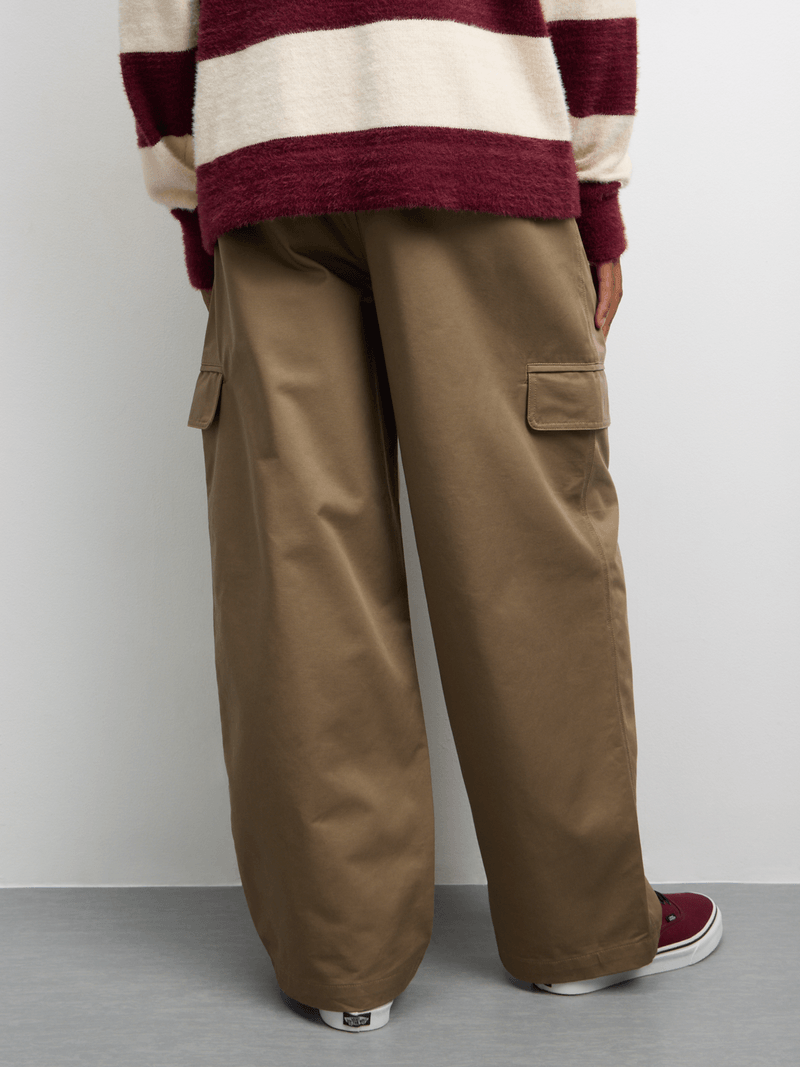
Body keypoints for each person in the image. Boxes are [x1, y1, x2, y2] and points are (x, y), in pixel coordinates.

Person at [118, 0, 722, 1033]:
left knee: (301, 571)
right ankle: (575, 935)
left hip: (266, 154)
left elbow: (157, 16)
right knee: (525, 551)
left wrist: (197, 193)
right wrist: (594, 195)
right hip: (474, 129)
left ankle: (342, 962)